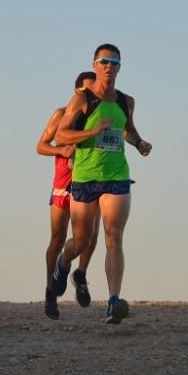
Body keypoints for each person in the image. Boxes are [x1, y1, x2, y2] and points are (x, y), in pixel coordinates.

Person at [49, 44, 152, 324]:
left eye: (114, 62)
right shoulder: (82, 100)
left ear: (120, 67)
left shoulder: (125, 101)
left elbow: (128, 130)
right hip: (85, 177)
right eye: (104, 61)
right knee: (81, 241)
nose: (109, 66)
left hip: (116, 176)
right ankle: (63, 263)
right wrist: (92, 131)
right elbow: (62, 134)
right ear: (95, 65)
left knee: (113, 236)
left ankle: (113, 301)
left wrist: (140, 143)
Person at [36, 71, 100, 320]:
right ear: (77, 92)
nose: (91, 96)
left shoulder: (101, 113)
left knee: (90, 234)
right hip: (64, 181)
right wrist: (61, 149)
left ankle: (81, 274)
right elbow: (40, 145)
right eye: (87, 91)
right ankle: (50, 289)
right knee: (58, 237)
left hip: (90, 180)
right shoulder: (62, 114)